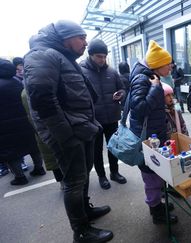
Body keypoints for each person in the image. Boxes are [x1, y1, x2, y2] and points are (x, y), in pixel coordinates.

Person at [24, 20, 113, 242]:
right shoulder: (43, 55)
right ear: (66, 38)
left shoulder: (61, 56)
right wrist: (66, 135)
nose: (85, 43)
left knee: (83, 175)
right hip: (68, 133)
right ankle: (81, 231)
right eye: (80, 38)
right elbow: (43, 101)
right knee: (73, 181)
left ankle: (86, 210)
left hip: (80, 128)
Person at [129, 40, 178, 224]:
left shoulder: (149, 76)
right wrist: (156, 89)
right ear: (158, 65)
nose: (171, 67)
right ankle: (156, 211)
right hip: (147, 139)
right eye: (168, 63)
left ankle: (158, 203)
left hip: (154, 136)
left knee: (157, 173)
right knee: (151, 177)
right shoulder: (144, 79)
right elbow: (139, 108)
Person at [80, 39, 127, 190]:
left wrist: (121, 94)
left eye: (104, 56)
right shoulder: (81, 71)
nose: (102, 59)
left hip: (112, 117)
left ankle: (115, 173)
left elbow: (123, 89)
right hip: (93, 120)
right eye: (99, 56)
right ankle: (102, 176)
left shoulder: (112, 72)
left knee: (113, 147)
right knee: (96, 150)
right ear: (90, 55)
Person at [0, 58, 45, 185]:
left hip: (4, 126)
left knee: (11, 152)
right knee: (32, 145)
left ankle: (20, 177)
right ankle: (39, 168)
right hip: (25, 120)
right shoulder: (18, 81)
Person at [12, 57, 30, 171]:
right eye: (18, 69)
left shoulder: (23, 79)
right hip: (20, 113)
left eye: (21, 68)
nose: (20, 71)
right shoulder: (16, 81)